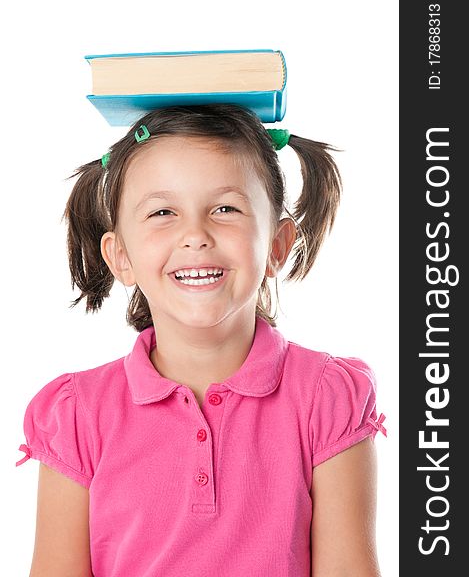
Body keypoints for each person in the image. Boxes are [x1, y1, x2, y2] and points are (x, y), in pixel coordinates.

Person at [16, 103, 386, 576]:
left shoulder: (326, 400)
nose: (195, 235)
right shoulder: (76, 415)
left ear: (277, 244)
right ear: (121, 255)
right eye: (163, 212)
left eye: (225, 208)